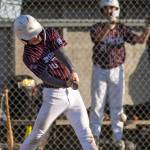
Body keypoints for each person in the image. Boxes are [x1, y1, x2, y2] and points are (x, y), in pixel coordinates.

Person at [14, 15, 98, 150]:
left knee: (85, 132)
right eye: (30, 37)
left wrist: (73, 71)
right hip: (53, 96)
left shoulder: (50, 33)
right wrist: (64, 83)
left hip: (73, 94)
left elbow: (60, 53)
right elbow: (45, 77)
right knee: (37, 134)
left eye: (35, 33)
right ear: (23, 39)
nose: (35, 37)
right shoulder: (29, 55)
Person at [89, 0, 150, 149]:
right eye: (107, 9)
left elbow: (140, 40)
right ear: (102, 11)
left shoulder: (122, 28)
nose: (110, 11)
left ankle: (118, 137)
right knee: (98, 104)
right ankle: (94, 136)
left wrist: (148, 27)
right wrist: (108, 27)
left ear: (117, 10)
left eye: (112, 8)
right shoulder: (97, 27)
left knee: (117, 106)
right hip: (100, 69)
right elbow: (96, 39)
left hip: (117, 70)